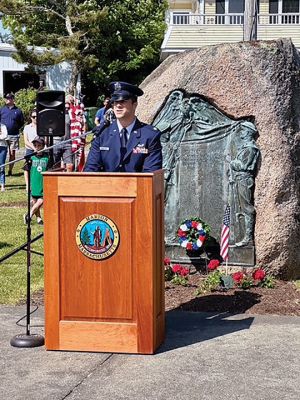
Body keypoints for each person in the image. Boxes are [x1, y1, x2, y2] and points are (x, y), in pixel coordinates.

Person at [84, 81, 162, 173]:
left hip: (138, 187)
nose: (118, 105)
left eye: (123, 101)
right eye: (114, 102)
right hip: (106, 186)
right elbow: (90, 171)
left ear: (134, 104)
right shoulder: (102, 133)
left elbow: (151, 175)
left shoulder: (149, 136)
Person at [23, 137, 49, 225]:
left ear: (43, 146)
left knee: (42, 200)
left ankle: (29, 215)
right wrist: (27, 184)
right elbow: (26, 171)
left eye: (39, 145)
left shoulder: (47, 157)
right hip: (34, 182)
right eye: (35, 146)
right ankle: (38, 218)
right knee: (35, 200)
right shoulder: (31, 158)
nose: (37, 147)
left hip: (43, 182)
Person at [0, 93, 24, 175]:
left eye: (10, 98)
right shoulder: (2, 110)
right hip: (2, 136)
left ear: (13, 99)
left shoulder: (18, 111)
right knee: (2, 152)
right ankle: (1, 170)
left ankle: (10, 170)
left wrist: (15, 128)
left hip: (13, 135)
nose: (8, 99)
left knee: (12, 154)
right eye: (6, 98)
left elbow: (21, 122)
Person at [52, 100, 74, 172]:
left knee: (70, 165)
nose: (67, 109)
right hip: (56, 142)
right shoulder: (54, 114)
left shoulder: (70, 115)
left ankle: (68, 181)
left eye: (68, 107)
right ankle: (57, 181)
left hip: (67, 142)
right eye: (65, 107)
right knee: (56, 165)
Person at [23, 109, 38, 191]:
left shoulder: (42, 127)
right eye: (33, 116)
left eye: (36, 116)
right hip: (30, 150)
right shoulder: (27, 127)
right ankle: (27, 185)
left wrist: (39, 149)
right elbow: (26, 141)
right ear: (30, 117)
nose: (35, 118)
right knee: (27, 168)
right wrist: (34, 148)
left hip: (40, 150)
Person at [0, 123, 8, 192]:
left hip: (2, 147)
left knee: (1, 166)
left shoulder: (3, 126)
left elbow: (5, 136)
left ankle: (2, 185)